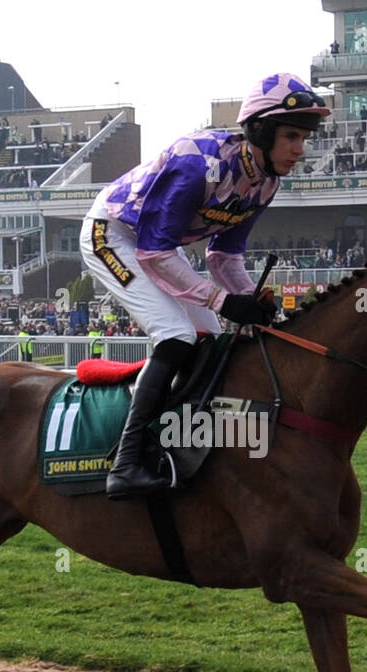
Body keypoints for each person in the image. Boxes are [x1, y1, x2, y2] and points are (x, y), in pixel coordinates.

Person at [79, 72, 324, 497]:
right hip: (112, 233)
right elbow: (154, 252)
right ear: (261, 131)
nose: (300, 149)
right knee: (176, 337)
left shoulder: (265, 183)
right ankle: (126, 462)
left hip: (154, 243)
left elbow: (223, 257)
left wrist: (253, 300)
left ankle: (177, 441)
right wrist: (224, 301)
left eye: (304, 138)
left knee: (209, 341)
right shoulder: (199, 163)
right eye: (291, 136)